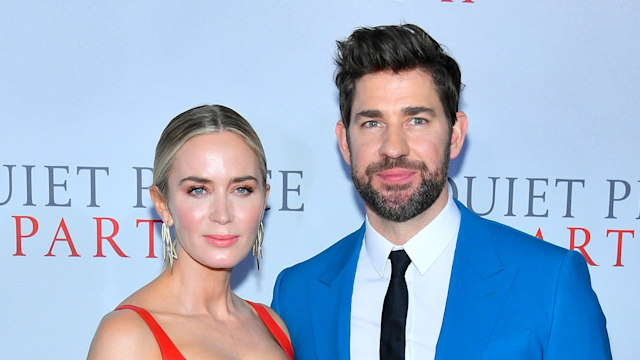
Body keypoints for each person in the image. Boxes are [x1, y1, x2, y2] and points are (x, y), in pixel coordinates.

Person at [271, 24, 611, 359]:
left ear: (456, 134)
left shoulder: (549, 282)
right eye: (372, 123)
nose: (393, 148)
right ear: (345, 142)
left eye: (416, 120)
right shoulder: (298, 293)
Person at [88, 105, 294, 360]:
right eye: (198, 190)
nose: (223, 214)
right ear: (162, 204)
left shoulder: (272, 325)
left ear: (264, 199)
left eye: (242, 189)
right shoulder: (127, 336)